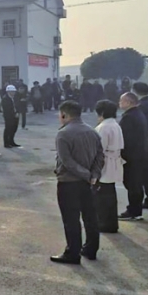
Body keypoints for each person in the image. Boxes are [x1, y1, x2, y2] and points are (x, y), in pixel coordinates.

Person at [51, 100, 104, 265]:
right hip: (89, 183)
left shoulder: (63, 134)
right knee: (90, 217)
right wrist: (94, 175)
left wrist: (86, 174)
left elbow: (67, 161)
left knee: (71, 219)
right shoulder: (92, 132)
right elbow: (100, 156)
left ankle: (72, 253)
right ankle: (91, 249)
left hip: (69, 182)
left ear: (64, 115)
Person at [94, 100, 123, 234]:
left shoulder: (103, 127)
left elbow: (99, 149)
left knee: (102, 196)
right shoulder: (115, 124)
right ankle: (111, 223)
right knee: (110, 194)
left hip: (105, 162)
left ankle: (104, 223)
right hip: (114, 160)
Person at [118, 92, 148, 221]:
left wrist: (121, 154)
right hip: (140, 154)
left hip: (132, 156)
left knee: (132, 183)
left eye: (121, 101)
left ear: (128, 102)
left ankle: (133, 210)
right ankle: (136, 209)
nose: (119, 103)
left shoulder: (129, 117)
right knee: (136, 183)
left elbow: (126, 138)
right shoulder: (138, 114)